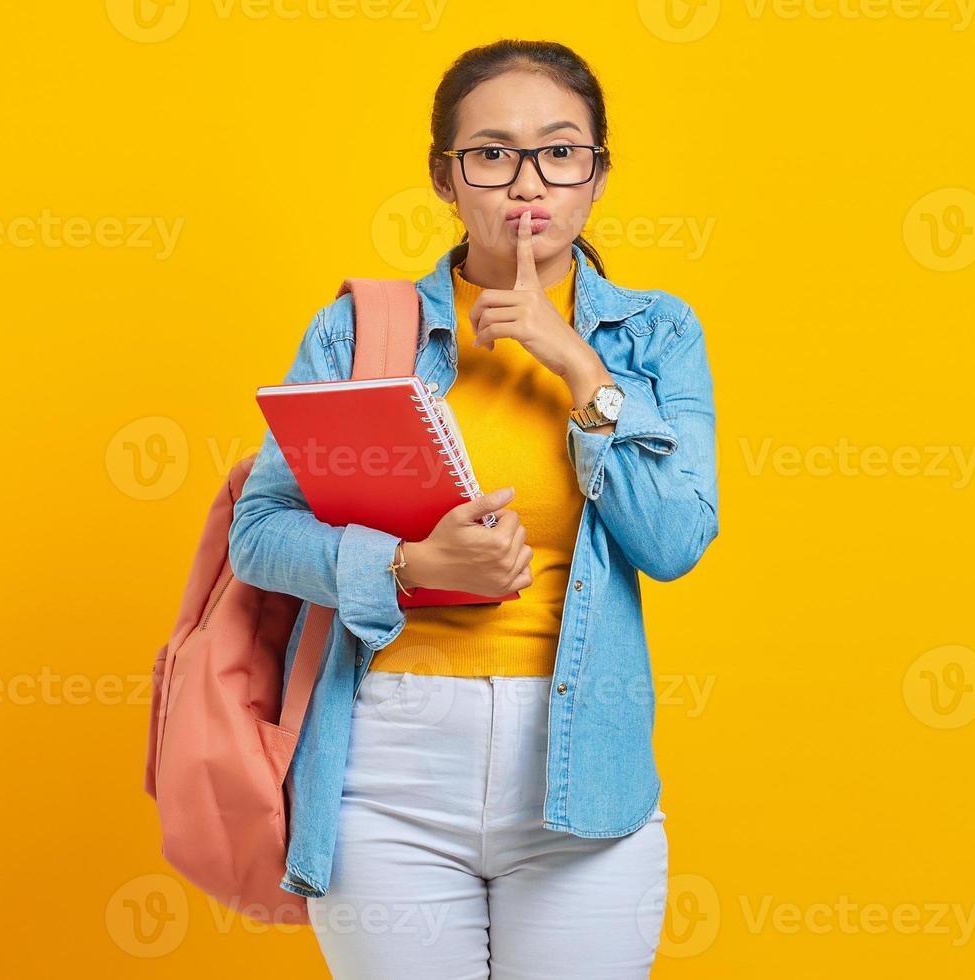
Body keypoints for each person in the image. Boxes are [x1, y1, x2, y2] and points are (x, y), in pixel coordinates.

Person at [229, 38, 719, 979]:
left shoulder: (656, 333)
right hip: (387, 768)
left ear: (597, 175)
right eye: (491, 154)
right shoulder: (363, 331)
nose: (526, 182)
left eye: (560, 151)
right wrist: (408, 569)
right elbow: (261, 535)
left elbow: (674, 539)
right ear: (445, 180)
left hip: (583, 765)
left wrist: (577, 364)